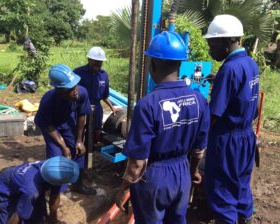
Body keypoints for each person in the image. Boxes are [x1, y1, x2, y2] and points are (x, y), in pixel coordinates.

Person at [115, 31, 210, 224]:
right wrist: (193, 172)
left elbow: (137, 163)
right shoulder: (198, 99)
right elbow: (199, 149)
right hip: (182, 173)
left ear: (153, 65)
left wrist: (123, 189)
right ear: (180, 64)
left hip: (154, 177)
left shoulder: (147, 104)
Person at [204, 15, 259, 224]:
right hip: (246, 137)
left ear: (227, 41)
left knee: (222, 192)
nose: (210, 49)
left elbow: (214, 116)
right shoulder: (250, 64)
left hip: (227, 141)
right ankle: (245, 219)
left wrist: (198, 139)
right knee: (241, 185)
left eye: (212, 43)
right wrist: (220, 81)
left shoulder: (229, 69)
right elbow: (247, 101)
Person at [35, 64, 96, 195]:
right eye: (70, 89)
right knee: (56, 158)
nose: (75, 90)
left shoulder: (81, 93)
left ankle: (77, 184)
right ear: (59, 90)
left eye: (75, 86)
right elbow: (47, 125)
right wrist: (63, 146)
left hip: (68, 122)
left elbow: (81, 115)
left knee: (77, 150)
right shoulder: (48, 100)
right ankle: (55, 191)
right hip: (51, 127)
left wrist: (79, 140)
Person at [0, 156, 79, 224]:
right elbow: (19, 214)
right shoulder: (31, 190)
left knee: (39, 219)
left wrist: (54, 221)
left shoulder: (54, 168)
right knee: (17, 218)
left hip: (27, 185)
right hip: (6, 191)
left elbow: (54, 198)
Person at [73, 47, 119, 145]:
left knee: (94, 133)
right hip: (80, 107)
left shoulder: (103, 75)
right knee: (78, 131)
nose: (98, 64)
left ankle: (89, 152)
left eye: (100, 62)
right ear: (89, 59)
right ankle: (77, 150)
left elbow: (104, 95)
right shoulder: (78, 72)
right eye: (95, 61)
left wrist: (112, 107)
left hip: (97, 107)